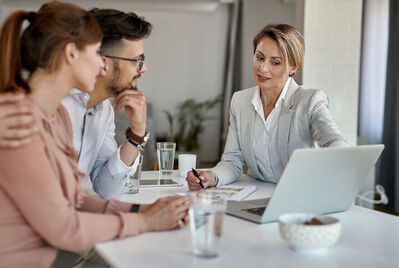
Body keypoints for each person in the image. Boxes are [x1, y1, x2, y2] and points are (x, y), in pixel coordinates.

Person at [0, 2, 189, 267]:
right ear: (72, 54)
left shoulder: (58, 116)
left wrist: (142, 210)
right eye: (94, 53)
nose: (100, 66)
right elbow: (64, 227)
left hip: (58, 247)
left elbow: (75, 199)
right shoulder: (18, 118)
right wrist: (144, 221)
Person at [186, 24, 348, 190]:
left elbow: (336, 143)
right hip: (256, 195)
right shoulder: (240, 101)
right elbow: (232, 161)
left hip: (298, 194)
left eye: (275, 62)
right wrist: (211, 176)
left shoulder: (310, 100)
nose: (262, 68)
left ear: (293, 67)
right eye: (260, 58)